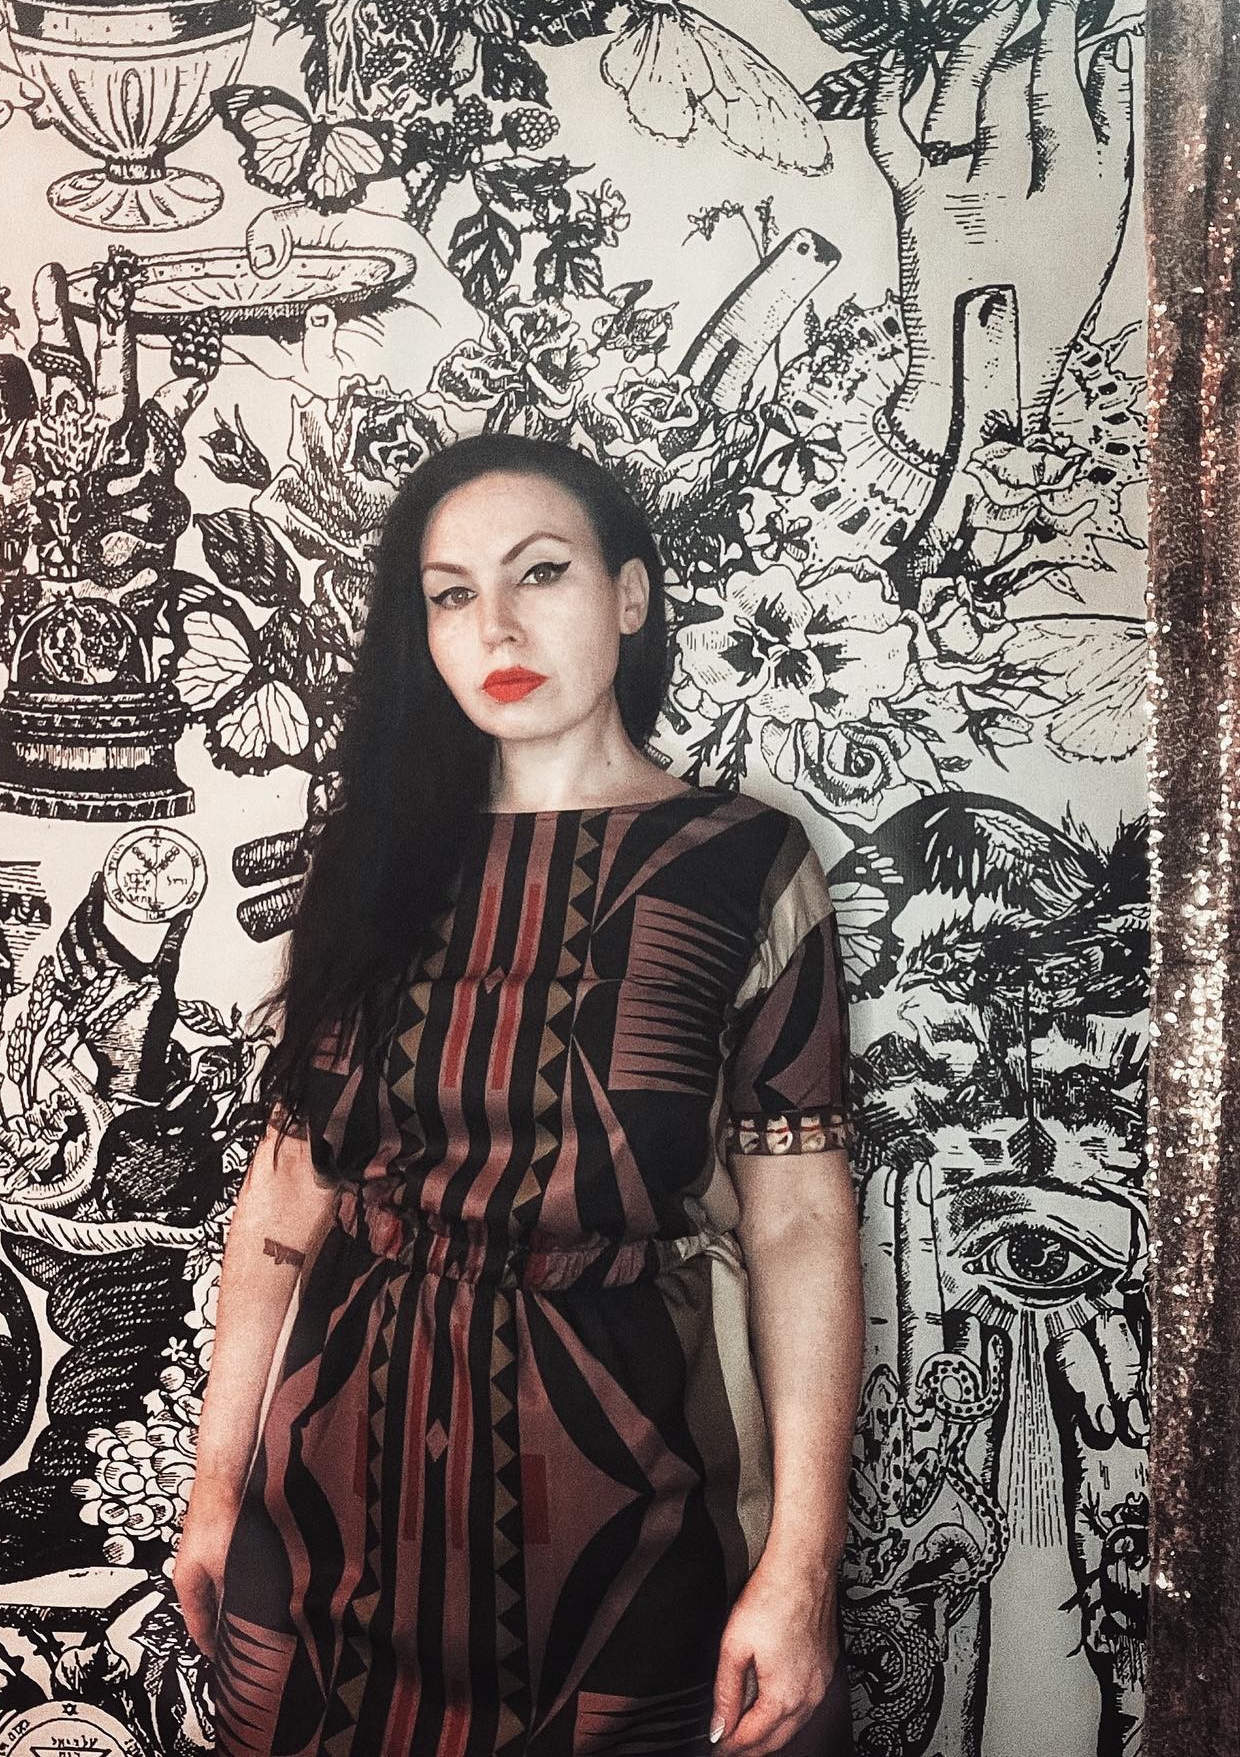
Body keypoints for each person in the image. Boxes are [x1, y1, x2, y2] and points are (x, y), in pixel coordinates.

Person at [174, 433, 865, 1756]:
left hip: (638, 1501)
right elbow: (282, 1200)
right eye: (451, 594)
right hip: (327, 1501)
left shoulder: (746, 866)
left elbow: (799, 1226)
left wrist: (801, 1564)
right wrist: (216, 1492)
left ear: (630, 594)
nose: (494, 624)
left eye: (539, 572)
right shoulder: (371, 859)